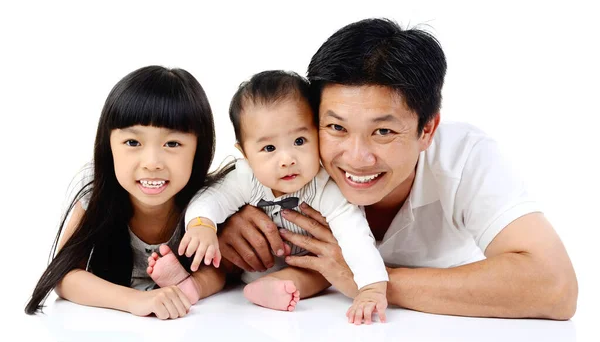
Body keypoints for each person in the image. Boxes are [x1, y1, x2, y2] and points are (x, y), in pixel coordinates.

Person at [215, 18, 579, 320]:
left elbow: (555, 287)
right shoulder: (287, 160)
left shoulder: (465, 158)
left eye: (384, 131)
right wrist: (217, 224)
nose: (356, 158)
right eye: (336, 127)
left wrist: (365, 277)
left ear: (427, 130)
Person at [149, 70, 388, 324]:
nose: (287, 160)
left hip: (300, 264)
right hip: (244, 262)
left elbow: (355, 235)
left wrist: (371, 287)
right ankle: (190, 286)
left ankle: (273, 286)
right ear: (245, 153)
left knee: (319, 272)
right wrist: (202, 225)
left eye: (299, 140)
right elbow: (212, 198)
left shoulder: (324, 187)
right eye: (269, 148)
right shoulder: (245, 177)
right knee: (219, 262)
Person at [25, 66, 227, 320]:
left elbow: (222, 270)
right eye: (133, 142)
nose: (152, 162)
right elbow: (63, 276)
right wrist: (136, 300)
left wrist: (190, 288)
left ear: (199, 148)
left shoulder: (208, 201)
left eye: (172, 143)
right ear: (108, 146)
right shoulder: (96, 192)